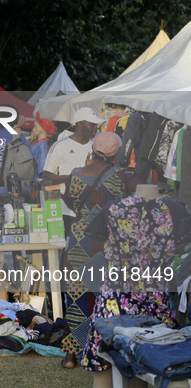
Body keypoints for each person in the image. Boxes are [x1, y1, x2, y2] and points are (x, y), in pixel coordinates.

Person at [80, 183, 191, 387]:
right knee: (144, 362)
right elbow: (181, 248)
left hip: (114, 298)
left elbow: (95, 242)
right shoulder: (175, 210)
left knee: (104, 363)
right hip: (156, 299)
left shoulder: (113, 209)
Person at [59, 132, 140, 369]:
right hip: (108, 243)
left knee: (76, 297)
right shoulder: (124, 176)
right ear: (116, 154)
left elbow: (72, 203)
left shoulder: (75, 175)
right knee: (108, 298)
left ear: (92, 149)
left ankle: (70, 356)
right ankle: (104, 350)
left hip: (79, 241)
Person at [41, 107, 104, 191]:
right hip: (65, 198)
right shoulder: (60, 145)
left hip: (88, 199)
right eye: (92, 125)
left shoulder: (96, 148)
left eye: (96, 125)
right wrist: (71, 177)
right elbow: (46, 176)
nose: (96, 128)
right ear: (80, 125)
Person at [30, 112, 57, 182]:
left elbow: (42, 163)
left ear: (43, 129)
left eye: (36, 127)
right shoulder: (38, 142)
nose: (33, 129)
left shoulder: (43, 145)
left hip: (36, 177)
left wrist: (39, 177)